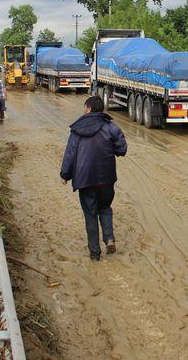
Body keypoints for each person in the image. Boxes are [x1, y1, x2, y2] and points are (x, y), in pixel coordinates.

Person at [59, 96, 127, 261]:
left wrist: (64, 175)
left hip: (85, 180)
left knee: (90, 215)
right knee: (105, 208)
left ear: (88, 109)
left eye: (84, 107)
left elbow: (70, 154)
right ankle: (109, 238)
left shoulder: (77, 130)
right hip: (106, 178)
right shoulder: (111, 127)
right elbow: (122, 149)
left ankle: (95, 254)